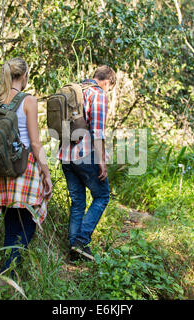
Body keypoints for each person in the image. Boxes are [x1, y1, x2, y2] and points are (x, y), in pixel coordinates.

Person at [0, 58, 52, 291]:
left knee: (11, 225)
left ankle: (4, 274)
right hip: (23, 169)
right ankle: (5, 276)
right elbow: (35, 143)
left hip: (0, 170)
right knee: (28, 224)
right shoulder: (28, 101)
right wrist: (46, 173)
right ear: (25, 76)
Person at [58, 65, 116, 261]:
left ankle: (75, 250)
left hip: (66, 155)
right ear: (107, 82)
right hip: (85, 155)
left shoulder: (77, 91)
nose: (108, 91)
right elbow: (97, 132)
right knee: (102, 197)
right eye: (110, 87)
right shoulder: (97, 94)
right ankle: (81, 241)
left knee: (78, 203)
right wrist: (102, 162)